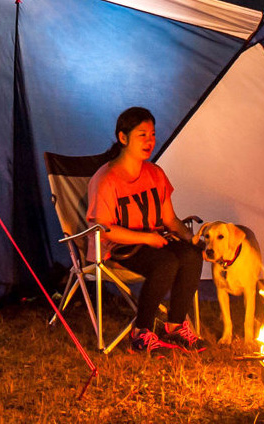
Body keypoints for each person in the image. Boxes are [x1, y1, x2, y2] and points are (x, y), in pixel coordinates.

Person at [86, 106, 208, 355]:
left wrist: (192, 238)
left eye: (152, 134)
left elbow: (170, 220)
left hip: (152, 241)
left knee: (191, 255)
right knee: (165, 262)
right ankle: (140, 334)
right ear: (123, 137)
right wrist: (146, 239)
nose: (150, 141)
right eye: (142, 134)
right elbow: (105, 230)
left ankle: (174, 326)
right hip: (119, 248)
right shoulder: (107, 179)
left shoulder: (155, 173)